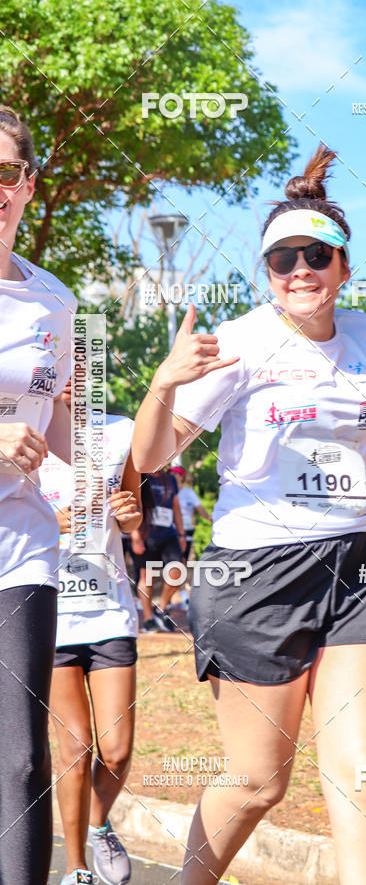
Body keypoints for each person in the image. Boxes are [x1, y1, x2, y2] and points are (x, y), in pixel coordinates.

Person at [131, 144, 366, 884]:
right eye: (282, 258)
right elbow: (149, 456)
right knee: (261, 782)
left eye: (317, 254)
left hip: (359, 562)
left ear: (343, 267)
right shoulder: (237, 343)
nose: (301, 268)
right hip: (254, 573)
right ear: (267, 274)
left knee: (365, 786)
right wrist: (163, 382)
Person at [0, 106, 77, 884]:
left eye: (3, 172)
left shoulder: (55, 301)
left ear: (25, 183)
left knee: (21, 761)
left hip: (20, 543)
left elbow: (57, 416)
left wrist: (82, 473)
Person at [39, 381, 142, 885]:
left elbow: (132, 513)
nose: (71, 382)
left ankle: (100, 825)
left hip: (109, 612)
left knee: (117, 749)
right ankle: (76, 868)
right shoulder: (23, 438)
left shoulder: (121, 433)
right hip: (53, 614)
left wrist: (128, 515)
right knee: (75, 748)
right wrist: (48, 522)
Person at [134, 468, 186, 632]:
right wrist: (135, 536)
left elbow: (176, 507)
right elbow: (134, 505)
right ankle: (149, 618)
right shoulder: (142, 476)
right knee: (147, 576)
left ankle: (161, 609)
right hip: (147, 534)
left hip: (168, 535)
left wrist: (181, 534)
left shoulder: (170, 479)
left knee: (177, 571)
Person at [169, 465, 212, 564]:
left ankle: (181, 579)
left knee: (182, 558)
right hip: (170, 528)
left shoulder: (189, 492)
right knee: (169, 560)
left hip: (186, 528)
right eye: (170, 473)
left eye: (175, 474)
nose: (172, 476)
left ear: (181, 476)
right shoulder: (167, 490)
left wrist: (210, 518)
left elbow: (200, 509)